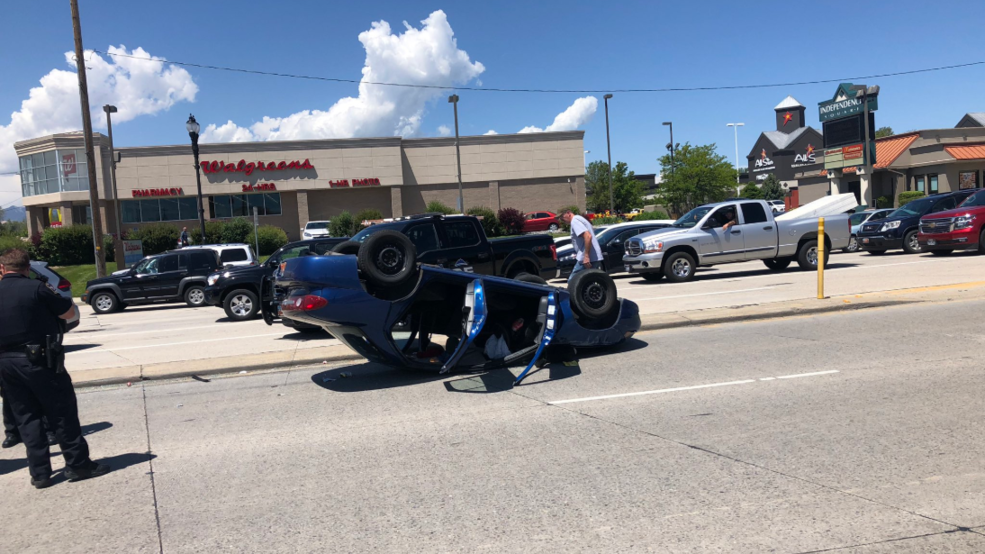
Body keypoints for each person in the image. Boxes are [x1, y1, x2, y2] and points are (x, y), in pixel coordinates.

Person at [0, 249, 109, 489]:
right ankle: (78, 465)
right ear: (27, 268)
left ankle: (40, 474)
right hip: (39, 361)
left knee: (26, 417)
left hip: (6, 365)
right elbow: (69, 313)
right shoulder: (37, 288)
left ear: (2, 269)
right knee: (61, 413)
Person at [560, 209, 602, 280]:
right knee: (588, 282)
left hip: (587, 259)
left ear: (568, 213)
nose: (562, 220)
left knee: (573, 282)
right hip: (592, 257)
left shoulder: (575, 221)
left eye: (562, 217)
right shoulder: (579, 219)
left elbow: (588, 236)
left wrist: (586, 256)